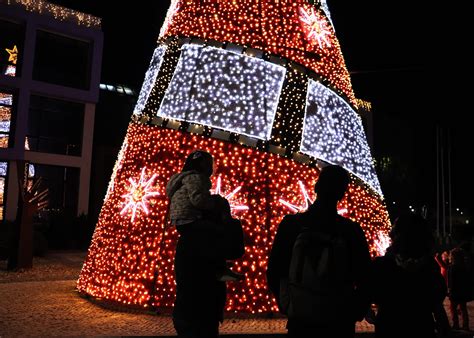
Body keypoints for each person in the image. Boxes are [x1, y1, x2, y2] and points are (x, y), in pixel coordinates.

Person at [267, 164, 371, 338]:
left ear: (316, 187)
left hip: (301, 320)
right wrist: (353, 312)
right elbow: (366, 277)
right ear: (342, 194)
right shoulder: (351, 231)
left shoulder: (291, 225)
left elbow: (275, 271)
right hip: (339, 321)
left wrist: (288, 304)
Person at [166, 150, 243, 338]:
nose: (212, 169)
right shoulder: (197, 180)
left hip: (181, 222)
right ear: (202, 166)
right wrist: (217, 207)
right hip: (200, 319)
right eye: (209, 164)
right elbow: (199, 200)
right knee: (218, 223)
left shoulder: (180, 180)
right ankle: (221, 269)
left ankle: (221, 269)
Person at [369, 212, 450, 338]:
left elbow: (372, 294)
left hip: (389, 327)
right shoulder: (429, 266)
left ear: (395, 235)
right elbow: (436, 300)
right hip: (420, 327)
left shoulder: (383, 264)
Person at [448, 246, 471, 331]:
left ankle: (456, 324)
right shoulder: (464, 267)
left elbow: (451, 281)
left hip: (455, 291)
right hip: (462, 290)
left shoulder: (452, 267)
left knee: (453, 308)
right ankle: (466, 325)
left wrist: (450, 290)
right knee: (463, 308)